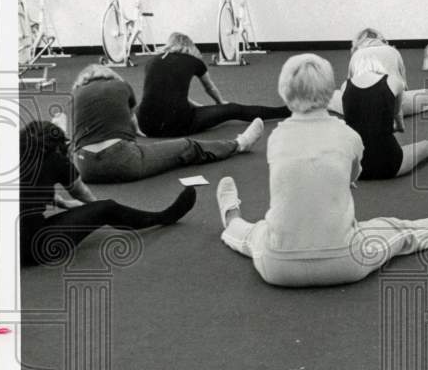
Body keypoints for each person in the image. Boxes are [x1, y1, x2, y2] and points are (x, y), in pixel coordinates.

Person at [215, 54, 428, 287]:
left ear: (285, 93)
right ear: (329, 94)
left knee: (253, 234)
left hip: (278, 267)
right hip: (346, 261)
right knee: (395, 229)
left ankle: (232, 220)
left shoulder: (277, 137)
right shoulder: (348, 135)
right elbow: (353, 175)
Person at [19, 119, 197, 267]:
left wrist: (62, 204)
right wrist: (97, 210)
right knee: (107, 208)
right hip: (35, 247)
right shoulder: (55, 159)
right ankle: (164, 217)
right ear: (58, 146)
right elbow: (82, 194)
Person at [70, 64, 263, 184]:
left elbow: (77, 135)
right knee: (186, 145)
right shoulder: (120, 85)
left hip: (85, 169)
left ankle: (238, 144)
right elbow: (132, 120)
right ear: (108, 74)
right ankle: (239, 144)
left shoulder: (76, 94)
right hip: (123, 162)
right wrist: (138, 134)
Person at [342, 61, 428, 179]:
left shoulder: (344, 87)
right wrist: (398, 126)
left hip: (353, 169)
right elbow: (398, 118)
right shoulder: (393, 82)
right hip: (389, 164)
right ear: (380, 72)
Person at [136, 32, 290, 137]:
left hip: (146, 125)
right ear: (189, 46)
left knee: (144, 104)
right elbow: (209, 88)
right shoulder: (193, 61)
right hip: (179, 125)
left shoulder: (151, 61)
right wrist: (221, 104)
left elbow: (162, 92)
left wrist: (197, 106)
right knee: (233, 109)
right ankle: (284, 111)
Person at [327, 28, 428, 126]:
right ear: (382, 40)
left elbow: (349, 88)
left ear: (357, 44)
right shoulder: (391, 51)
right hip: (388, 105)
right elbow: (402, 85)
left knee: (330, 96)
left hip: (356, 110)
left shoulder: (356, 56)